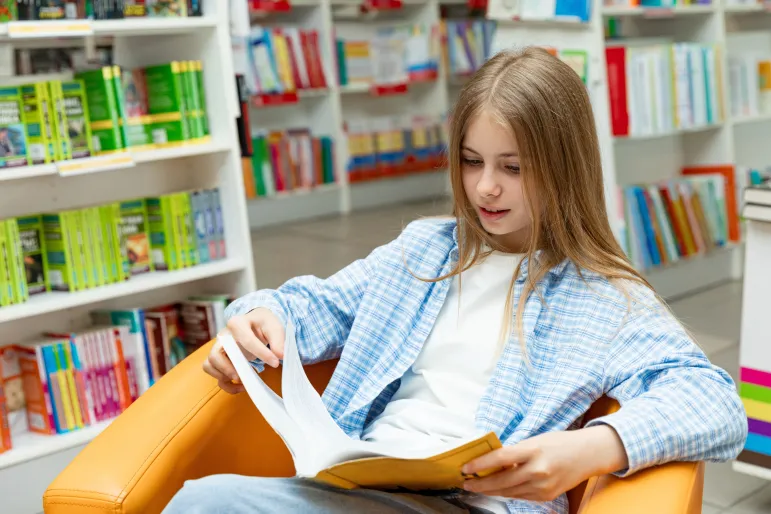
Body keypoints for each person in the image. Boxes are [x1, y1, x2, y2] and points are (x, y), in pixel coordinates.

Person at [163, 47, 747, 514]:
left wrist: (590, 448)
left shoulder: (604, 296)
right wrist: (259, 318)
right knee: (202, 500)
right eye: (472, 162)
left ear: (565, 168)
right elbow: (316, 305)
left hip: (468, 502)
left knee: (206, 503)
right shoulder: (423, 250)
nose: (485, 187)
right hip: (354, 485)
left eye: (512, 168)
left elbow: (713, 401)